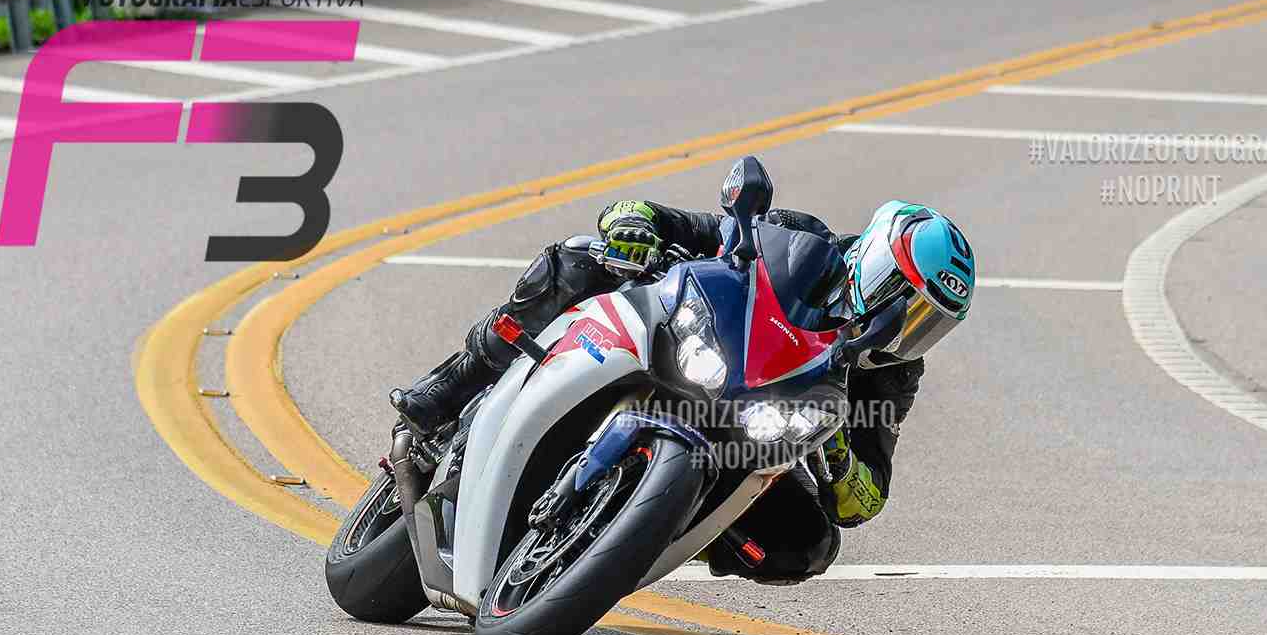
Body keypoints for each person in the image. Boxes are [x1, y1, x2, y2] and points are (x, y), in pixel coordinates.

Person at [391, 197, 975, 582]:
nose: (906, 328)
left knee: (806, 545)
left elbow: (865, 500)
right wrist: (635, 225)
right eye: (906, 302)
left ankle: (647, 530)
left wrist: (837, 451)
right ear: (875, 262)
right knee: (579, 258)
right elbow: (688, 225)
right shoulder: (803, 241)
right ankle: (452, 385)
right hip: (684, 345)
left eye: (929, 324)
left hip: (742, 434)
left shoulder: (892, 372)